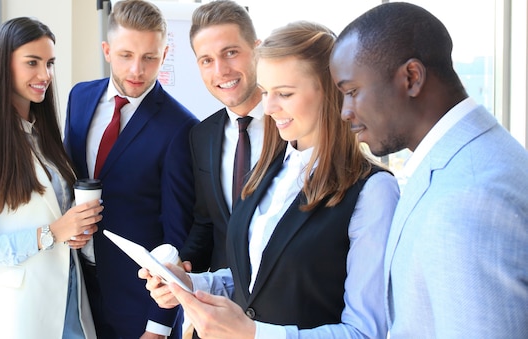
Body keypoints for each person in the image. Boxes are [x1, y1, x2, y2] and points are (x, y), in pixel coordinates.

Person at [140, 21, 400, 338]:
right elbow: (255, 278)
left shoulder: (373, 191)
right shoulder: (269, 167)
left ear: (331, 92)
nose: (269, 107)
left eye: (285, 93)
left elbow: (365, 332)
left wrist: (254, 334)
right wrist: (189, 283)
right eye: (265, 92)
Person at [329, 3, 528, 338]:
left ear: (411, 78)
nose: (345, 112)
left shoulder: (467, 199)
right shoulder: (473, 158)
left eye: (351, 92)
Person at [0, 17, 102, 339]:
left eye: (49, 63)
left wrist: (72, 232)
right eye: (32, 63)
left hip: (70, 296)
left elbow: (50, 216)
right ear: (4, 66)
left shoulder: (42, 134)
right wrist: (51, 233)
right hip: (21, 310)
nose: (45, 75)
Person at [62, 0, 199, 338]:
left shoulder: (181, 127)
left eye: (149, 57)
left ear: (164, 56)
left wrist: (158, 326)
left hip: (139, 304)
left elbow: (176, 236)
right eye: (126, 55)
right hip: (74, 291)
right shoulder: (79, 98)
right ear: (107, 51)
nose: (137, 70)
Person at [179, 0, 264, 273]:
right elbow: (208, 223)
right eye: (207, 60)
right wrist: (181, 266)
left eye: (230, 52)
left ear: (256, 49)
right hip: (226, 299)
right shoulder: (201, 136)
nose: (221, 70)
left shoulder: (294, 125)